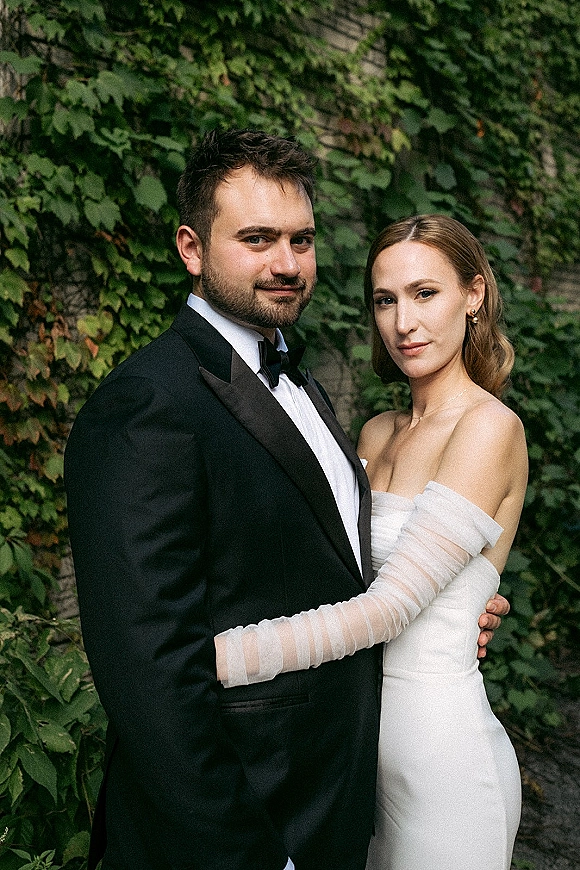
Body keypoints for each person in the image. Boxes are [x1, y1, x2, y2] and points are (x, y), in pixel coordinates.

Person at [64, 131, 508, 870]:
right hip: (240, 824)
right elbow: (150, 679)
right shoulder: (149, 403)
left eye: (301, 240)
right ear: (191, 247)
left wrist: (464, 603)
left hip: (331, 797)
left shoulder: (299, 384)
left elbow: (338, 567)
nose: (285, 263)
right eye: (257, 238)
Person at [214, 214, 527, 870]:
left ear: (473, 295)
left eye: (424, 293)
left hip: (440, 763)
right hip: (350, 753)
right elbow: (329, 574)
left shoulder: (490, 428)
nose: (403, 322)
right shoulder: (376, 433)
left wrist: (215, 660)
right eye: (385, 300)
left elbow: (388, 610)